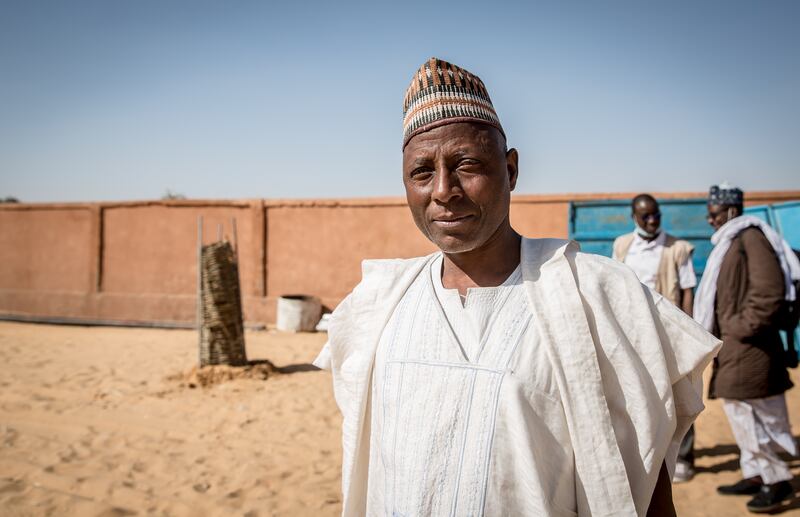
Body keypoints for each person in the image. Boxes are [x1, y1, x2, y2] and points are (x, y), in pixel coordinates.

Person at [315, 58, 721, 516]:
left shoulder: (597, 297)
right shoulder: (377, 307)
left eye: (467, 164)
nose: (444, 190)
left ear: (510, 170)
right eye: (422, 172)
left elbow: (645, 487)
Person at [695, 184, 800, 513]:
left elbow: (769, 292)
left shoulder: (751, 238)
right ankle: (755, 474)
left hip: (751, 348)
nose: (710, 220)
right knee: (742, 414)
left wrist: (738, 329)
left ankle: (776, 481)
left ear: (730, 210)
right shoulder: (732, 240)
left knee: (759, 417)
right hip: (737, 347)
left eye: (714, 214)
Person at [613, 194, 699, 483]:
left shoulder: (677, 248)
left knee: (679, 392)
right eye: (645, 216)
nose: (652, 221)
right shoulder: (623, 245)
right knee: (638, 392)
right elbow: (614, 285)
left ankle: (684, 456)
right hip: (633, 334)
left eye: (656, 215)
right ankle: (647, 455)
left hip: (668, 332)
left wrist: (687, 331)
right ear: (634, 217)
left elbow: (687, 290)